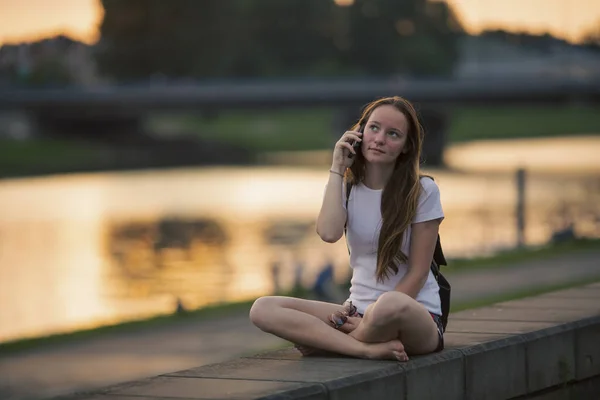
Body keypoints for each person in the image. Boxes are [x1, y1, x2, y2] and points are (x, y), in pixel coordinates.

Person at [250, 96, 445, 362]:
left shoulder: (423, 191)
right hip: (355, 313)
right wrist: (337, 168)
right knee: (263, 308)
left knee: (389, 303)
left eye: (393, 134)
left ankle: (332, 343)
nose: (379, 139)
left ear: (406, 147)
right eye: (373, 128)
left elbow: (419, 273)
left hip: (414, 314)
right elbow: (328, 234)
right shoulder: (347, 188)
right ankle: (363, 349)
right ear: (359, 132)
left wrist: (370, 319)